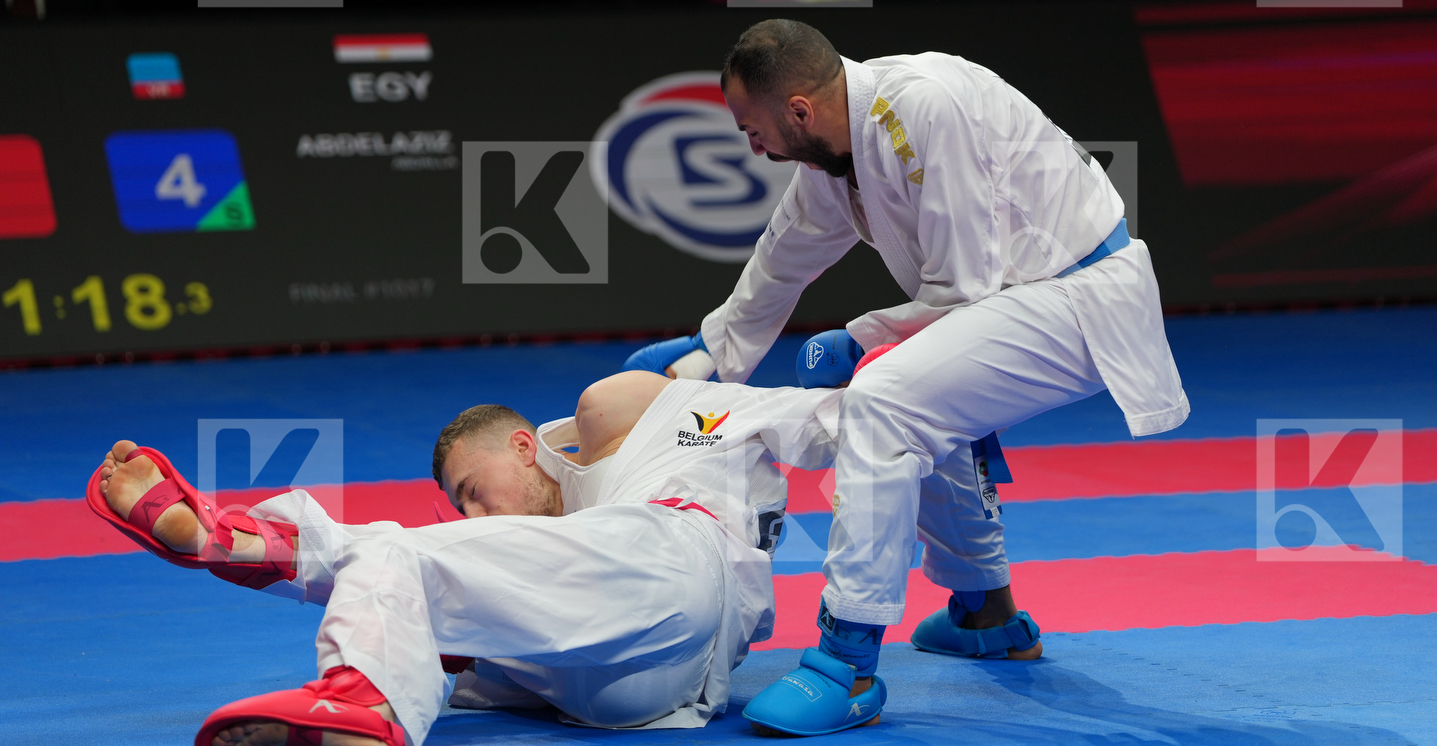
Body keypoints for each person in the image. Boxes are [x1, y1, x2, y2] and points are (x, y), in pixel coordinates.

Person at [628, 19, 1190, 735]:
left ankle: (847, 662)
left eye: (754, 129)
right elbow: (783, 255)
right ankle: (987, 614)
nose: (753, 147)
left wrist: (860, 340)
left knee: (884, 400)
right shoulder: (836, 152)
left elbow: (965, 289)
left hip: (1078, 296)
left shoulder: (923, 107)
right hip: (1020, 297)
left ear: (798, 109)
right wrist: (707, 352)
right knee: (924, 396)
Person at [88, 368, 860, 746]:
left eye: (473, 487)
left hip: (672, 562)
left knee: (405, 557)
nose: (471, 512)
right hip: (620, 697)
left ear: (525, 448)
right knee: (411, 585)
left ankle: (251, 557)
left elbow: (844, 419)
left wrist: (892, 364)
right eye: (461, 505)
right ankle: (353, 692)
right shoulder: (558, 547)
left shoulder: (678, 421)